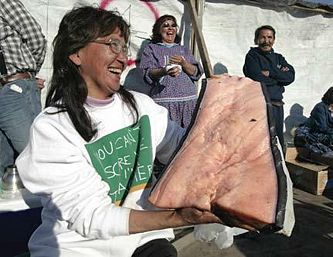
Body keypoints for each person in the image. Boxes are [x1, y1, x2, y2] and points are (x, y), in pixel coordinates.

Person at [16, 6, 220, 257]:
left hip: (144, 238)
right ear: (75, 53)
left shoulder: (141, 106)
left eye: (123, 47)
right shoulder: (53, 127)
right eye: (112, 44)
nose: (122, 58)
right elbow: (91, 217)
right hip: (79, 246)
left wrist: (224, 135)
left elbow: (183, 151)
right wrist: (179, 218)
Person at [0, 0, 46, 176]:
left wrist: (27, 74)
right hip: (6, 89)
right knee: (5, 167)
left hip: (14, 89)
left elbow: (35, 37)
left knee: (34, 157)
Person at [140, 14, 203, 129]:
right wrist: (164, 71)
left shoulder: (183, 49)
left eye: (173, 26)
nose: (170, 28)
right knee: (167, 139)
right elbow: (148, 73)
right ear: (159, 30)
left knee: (187, 140)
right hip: (165, 104)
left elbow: (196, 73)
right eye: (166, 26)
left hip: (188, 103)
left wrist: (184, 63)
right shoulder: (151, 49)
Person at [243, 25, 295, 151]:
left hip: (277, 106)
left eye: (270, 37)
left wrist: (271, 73)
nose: (266, 40)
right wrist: (278, 77)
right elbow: (257, 77)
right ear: (256, 40)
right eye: (263, 37)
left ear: (274, 39)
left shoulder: (279, 58)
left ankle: (278, 170)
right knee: (260, 142)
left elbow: (290, 77)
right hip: (259, 105)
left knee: (277, 140)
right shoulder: (252, 56)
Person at [294, 87, 333, 166]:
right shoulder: (320, 107)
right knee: (328, 155)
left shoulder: (331, 109)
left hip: (323, 137)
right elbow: (322, 128)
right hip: (309, 137)